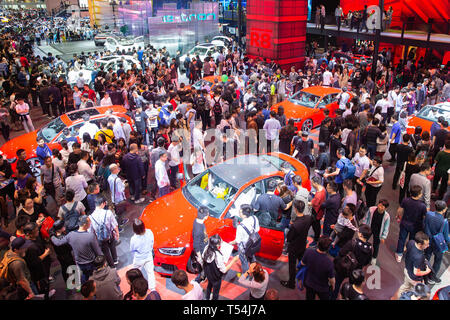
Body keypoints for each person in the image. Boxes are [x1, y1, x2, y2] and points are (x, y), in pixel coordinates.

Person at [51, 215, 102, 285]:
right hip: (90, 262)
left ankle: (85, 289)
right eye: (89, 222)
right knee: (95, 278)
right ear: (85, 224)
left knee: (84, 277)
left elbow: (58, 242)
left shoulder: (70, 235)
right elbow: (98, 252)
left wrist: (52, 236)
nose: (90, 224)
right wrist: (102, 262)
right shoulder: (90, 236)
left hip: (79, 263)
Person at [280, 199, 312, 289]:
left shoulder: (295, 225)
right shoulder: (308, 218)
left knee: (292, 266)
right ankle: (305, 278)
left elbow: (289, 238)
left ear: (295, 209)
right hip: (302, 245)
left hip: (294, 248)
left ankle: (291, 283)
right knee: (302, 262)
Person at [395, 185, 427, 263]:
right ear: (419, 194)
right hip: (416, 226)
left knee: (401, 239)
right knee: (412, 241)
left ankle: (399, 254)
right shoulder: (422, 205)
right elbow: (425, 216)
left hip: (405, 223)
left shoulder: (405, 200)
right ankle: (409, 255)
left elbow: (400, 210)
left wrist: (398, 217)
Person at [202, 234, 240, 300]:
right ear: (217, 245)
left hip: (208, 273)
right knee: (215, 292)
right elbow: (224, 270)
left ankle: (207, 298)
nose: (221, 242)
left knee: (209, 285)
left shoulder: (206, 248)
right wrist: (233, 261)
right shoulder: (217, 255)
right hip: (216, 277)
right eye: (220, 242)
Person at [395, 232, 431, 298]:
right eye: (426, 244)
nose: (428, 245)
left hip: (407, 270)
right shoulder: (419, 257)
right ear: (420, 244)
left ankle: (394, 298)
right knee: (421, 294)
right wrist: (427, 271)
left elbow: (405, 249)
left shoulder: (411, 242)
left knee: (404, 287)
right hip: (414, 278)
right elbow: (416, 272)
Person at [300, 236, 335, 300]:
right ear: (328, 248)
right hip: (322, 288)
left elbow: (302, 263)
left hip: (309, 283)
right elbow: (331, 279)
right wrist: (333, 286)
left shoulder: (309, 252)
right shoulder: (329, 263)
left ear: (318, 243)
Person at [230, 204, 261, 275]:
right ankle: (256, 271)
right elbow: (257, 229)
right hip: (253, 244)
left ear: (244, 215)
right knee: (252, 257)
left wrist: (229, 243)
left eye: (240, 212)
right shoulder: (254, 218)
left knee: (244, 262)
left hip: (244, 248)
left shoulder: (240, 227)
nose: (238, 213)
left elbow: (237, 241)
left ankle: (245, 276)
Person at [89, 196, 119, 268]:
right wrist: (117, 233)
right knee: (112, 245)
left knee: (105, 251)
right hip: (110, 234)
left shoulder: (91, 217)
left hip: (100, 237)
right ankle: (115, 260)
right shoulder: (108, 212)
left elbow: (91, 231)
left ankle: (112, 266)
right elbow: (114, 224)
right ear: (103, 203)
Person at [424, 200, 449, 284]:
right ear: (444, 210)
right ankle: (432, 277)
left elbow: (424, 225)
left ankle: (424, 274)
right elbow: (445, 236)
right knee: (438, 260)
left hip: (428, 240)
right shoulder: (444, 221)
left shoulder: (428, 214)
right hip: (438, 243)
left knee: (426, 257)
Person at [129, 218, 156, 291]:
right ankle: (153, 289)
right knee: (150, 272)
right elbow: (152, 243)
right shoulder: (150, 232)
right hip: (148, 256)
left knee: (135, 274)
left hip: (139, 259)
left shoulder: (133, 239)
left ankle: (137, 288)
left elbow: (132, 250)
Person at [361, 199, 390, 264]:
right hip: (369, 227)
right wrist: (364, 225)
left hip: (378, 231)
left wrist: (383, 237)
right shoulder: (371, 209)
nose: (380, 207)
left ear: (385, 208)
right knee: (364, 239)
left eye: (382, 206)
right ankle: (361, 250)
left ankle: (374, 257)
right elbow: (366, 217)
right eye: (379, 204)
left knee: (376, 245)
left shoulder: (387, 216)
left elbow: (386, 227)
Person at [49, 219, 75, 287]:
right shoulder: (62, 239)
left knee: (64, 269)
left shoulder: (53, 235)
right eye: (63, 226)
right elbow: (70, 247)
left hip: (60, 256)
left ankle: (67, 283)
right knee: (73, 268)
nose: (65, 227)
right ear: (60, 229)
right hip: (67, 256)